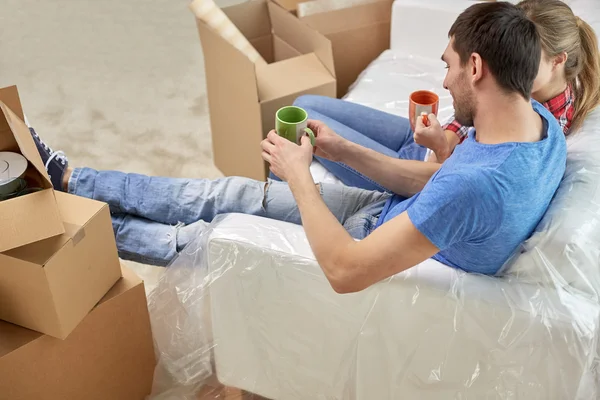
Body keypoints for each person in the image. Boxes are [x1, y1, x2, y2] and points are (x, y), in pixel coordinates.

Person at [30, 2, 565, 293]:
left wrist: (300, 174)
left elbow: (346, 272)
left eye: (449, 66)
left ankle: (80, 220)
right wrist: (338, 150)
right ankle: (73, 180)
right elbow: (434, 182)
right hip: (392, 213)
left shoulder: (478, 187)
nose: (444, 82)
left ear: (477, 68)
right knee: (220, 194)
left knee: (203, 233)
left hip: (370, 249)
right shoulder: (538, 125)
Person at [290, 0, 599, 191]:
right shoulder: (532, 88)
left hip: (416, 171)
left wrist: (440, 146)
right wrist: (445, 134)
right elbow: (470, 127)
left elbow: (458, 181)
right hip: (425, 145)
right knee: (303, 104)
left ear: (558, 60)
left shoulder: (538, 126)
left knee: (300, 125)